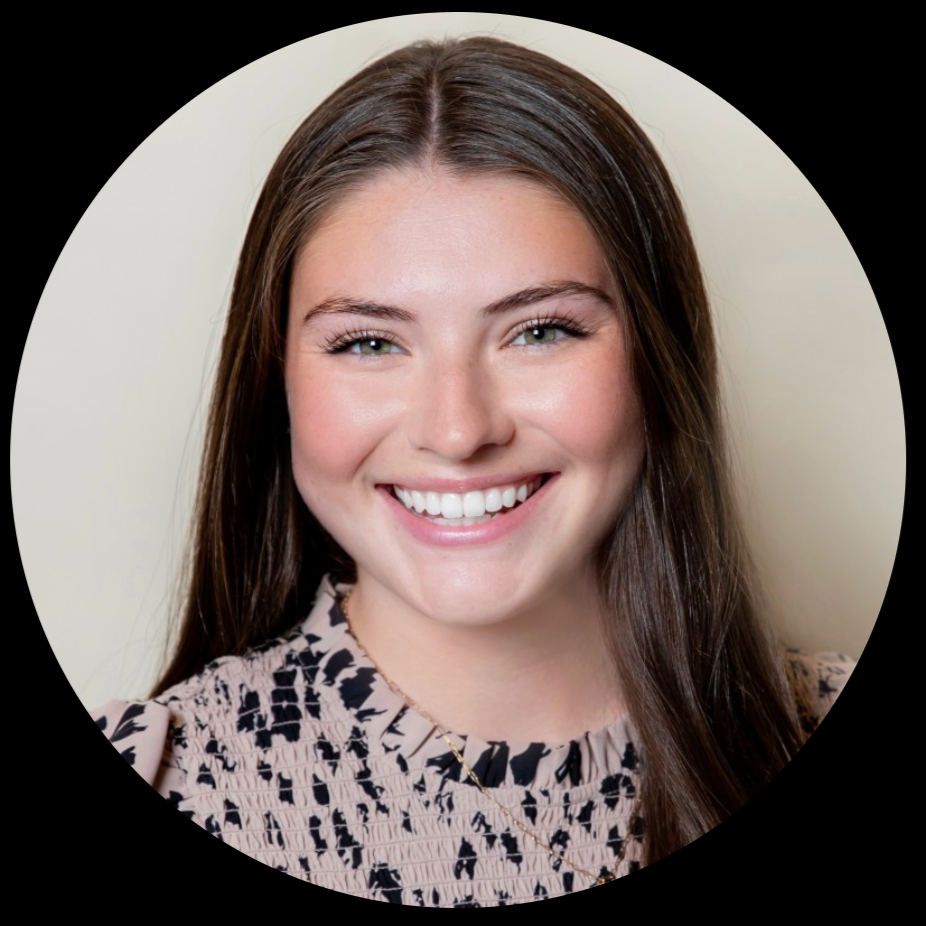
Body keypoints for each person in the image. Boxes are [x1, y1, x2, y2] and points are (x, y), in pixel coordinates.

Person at [92, 36, 853, 903]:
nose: (457, 430)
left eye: (541, 331)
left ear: (656, 355)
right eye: (369, 342)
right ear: (277, 380)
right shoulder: (167, 776)